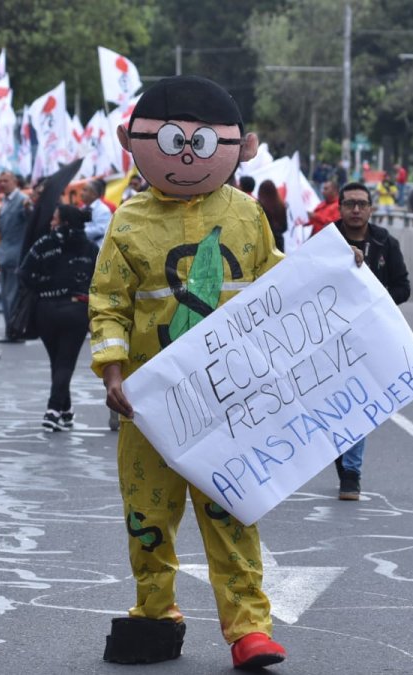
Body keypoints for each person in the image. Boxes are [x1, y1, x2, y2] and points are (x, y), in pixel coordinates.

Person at [91, 75, 291, 670]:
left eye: (199, 144)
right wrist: (112, 372)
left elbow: (278, 284)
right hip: (148, 403)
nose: (184, 157)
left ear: (237, 148)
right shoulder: (125, 222)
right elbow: (109, 303)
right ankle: (154, 613)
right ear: (135, 142)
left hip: (227, 399)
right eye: (172, 142)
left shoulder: (248, 215)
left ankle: (249, 628)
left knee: (232, 510)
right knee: (147, 514)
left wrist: (338, 272)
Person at [330, 181, 411, 500]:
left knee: (360, 402)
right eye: (350, 204)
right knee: (334, 405)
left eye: (362, 204)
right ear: (339, 207)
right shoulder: (327, 242)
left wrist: (372, 298)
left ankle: (351, 473)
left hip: (371, 338)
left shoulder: (385, 243)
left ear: (371, 208)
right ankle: (342, 457)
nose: (356, 210)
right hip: (331, 339)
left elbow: (403, 288)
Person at [19, 204, 99, 431]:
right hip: (76, 311)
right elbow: (100, 278)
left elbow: (24, 273)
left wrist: (42, 285)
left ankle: (64, 410)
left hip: (45, 310)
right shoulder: (91, 248)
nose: (51, 222)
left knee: (58, 362)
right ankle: (54, 410)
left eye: (54, 219)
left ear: (64, 222)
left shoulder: (44, 244)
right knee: (64, 362)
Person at [0, 171, 28, 341]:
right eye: (1, 181)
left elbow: (29, 218)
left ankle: (14, 331)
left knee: (11, 296)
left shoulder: (22, 200)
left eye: (6, 180)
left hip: (16, 255)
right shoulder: (5, 201)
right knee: (6, 296)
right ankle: (11, 329)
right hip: (5, 255)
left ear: (15, 181)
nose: (2, 183)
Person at [255, 179, 287, 251]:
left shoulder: (258, 207)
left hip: (263, 246)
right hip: (278, 245)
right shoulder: (281, 206)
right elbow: (285, 227)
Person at [81, 179, 112, 247]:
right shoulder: (83, 207)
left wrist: (80, 232)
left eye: (85, 190)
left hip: (98, 248)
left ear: (94, 195)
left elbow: (100, 230)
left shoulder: (103, 210)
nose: (81, 193)